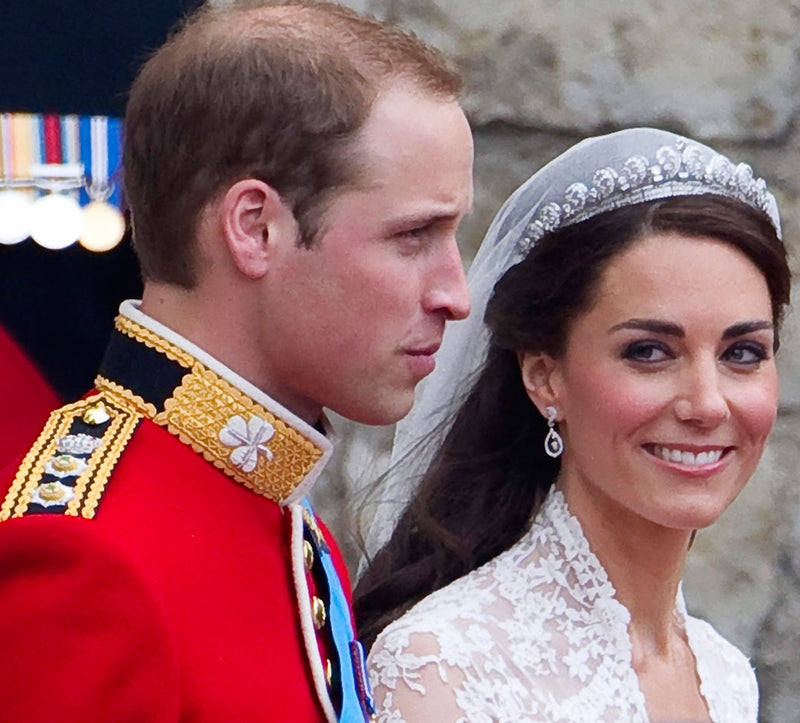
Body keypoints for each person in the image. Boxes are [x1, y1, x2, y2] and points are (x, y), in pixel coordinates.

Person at [0, 2, 473, 721]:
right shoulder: (88, 556)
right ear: (255, 227)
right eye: (413, 235)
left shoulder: (285, 518)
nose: (455, 293)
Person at [355, 127, 791, 722]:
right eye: (648, 352)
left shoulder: (724, 674)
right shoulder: (444, 666)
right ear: (544, 376)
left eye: (742, 353)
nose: (708, 405)